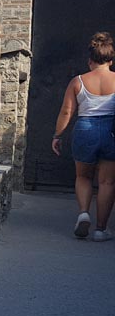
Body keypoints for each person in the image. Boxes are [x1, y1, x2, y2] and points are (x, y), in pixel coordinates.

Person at [53, 32, 115, 241]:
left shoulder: (77, 81)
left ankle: (83, 214)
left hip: (85, 129)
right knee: (107, 182)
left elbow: (66, 112)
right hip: (111, 131)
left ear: (90, 61)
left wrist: (57, 135)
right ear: (110, 60)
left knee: (83, 176)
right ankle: (100, 229)